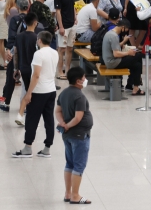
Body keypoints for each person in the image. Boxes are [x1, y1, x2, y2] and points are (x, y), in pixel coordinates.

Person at [12, 30, 58, 158]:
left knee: (32, 118)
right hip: (51, 90)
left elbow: (36, 75)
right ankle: (47, 148)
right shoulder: (55, 53)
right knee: (49, 119)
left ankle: (27, 148)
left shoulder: (38, 54)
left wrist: (29, 93)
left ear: (39, 40)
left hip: (39, 91)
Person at [56, 66, 93, 205]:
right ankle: (75, 195)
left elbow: (58, 111)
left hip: (67, 135)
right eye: (83, 78)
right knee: (79, 165)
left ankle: (68, 193)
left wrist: (63, 123)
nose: (85, 80)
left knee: (69, 163)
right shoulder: (79, 96)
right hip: (79, 135)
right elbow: (78, 117)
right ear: (78, 81)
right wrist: (68, 125)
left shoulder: (64, 93)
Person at [0, 0, 32, 112]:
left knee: (11, 77)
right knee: (28, 79)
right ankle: (28, 104)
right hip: (29, 52)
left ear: (17, 7)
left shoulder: (15, 20)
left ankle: (5, 103)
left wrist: (9, 50)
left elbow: (11, 36)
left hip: (16, 51)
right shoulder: (32, 19)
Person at [101, 10, 144, 95]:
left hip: (110, 60)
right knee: (138, 56)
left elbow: (114, 48)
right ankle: (136, 83)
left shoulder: (111, 33)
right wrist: (128, 53)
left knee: (137, 65)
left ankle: (135, 87)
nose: (126, 31)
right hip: (113, 62)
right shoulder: (114, 36)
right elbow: (116, 54)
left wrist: (124, 42)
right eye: (126, 29)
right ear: (123, 27)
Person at [11, 12, 41, 125]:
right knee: (32, 92)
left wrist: (15, 69)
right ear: (35, 23)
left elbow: (16, 53)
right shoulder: (37, 38)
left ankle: (23, 112)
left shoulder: (19, 36)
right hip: (33, 68)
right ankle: (27, 114)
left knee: (27, 89)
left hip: (23, 68)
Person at [55, 0, 78, 80]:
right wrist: (61, 26)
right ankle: (59, 71)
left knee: (70, 48)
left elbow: (73, 6)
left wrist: (75, 17)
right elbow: (58, 11)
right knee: (61, 49)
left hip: (72, 24)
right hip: (64, 26)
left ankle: (67, 69)